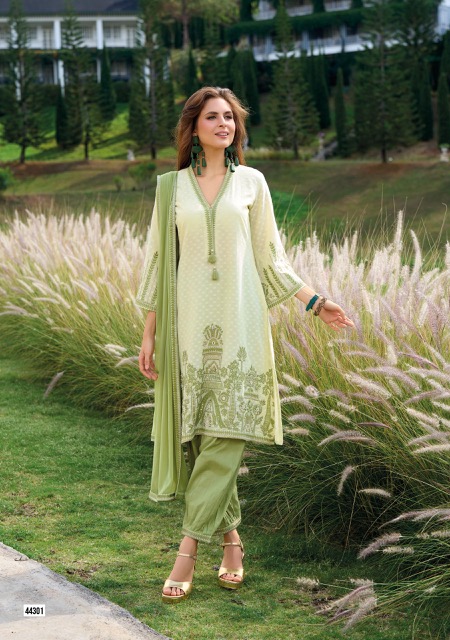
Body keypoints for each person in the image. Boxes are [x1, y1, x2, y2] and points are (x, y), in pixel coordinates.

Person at [136, 86, 354, 604]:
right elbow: (157, 263)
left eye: (230, 117)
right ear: (194, 127)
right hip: (187, 328)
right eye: (213, 116)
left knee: (226, 436)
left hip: (241, 325)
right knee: (201, 440)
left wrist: (314, 301)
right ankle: (232, 543)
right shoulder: (170, 189)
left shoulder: (252, 182)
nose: (224, 124)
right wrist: (149, 333)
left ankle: (187, 550)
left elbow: (270, 257)